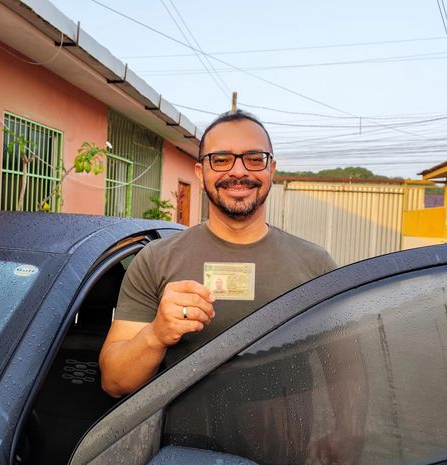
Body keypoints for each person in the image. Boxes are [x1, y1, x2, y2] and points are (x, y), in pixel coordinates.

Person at [99, 110, 337, 398]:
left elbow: (344, 374)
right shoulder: (155, 259)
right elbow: (114, 382)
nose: (238, 172)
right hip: (184, 442)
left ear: (271, 170)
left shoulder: (317, 265)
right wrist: (156, 334)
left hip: (289, 439)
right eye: (221, 160)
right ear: (201, 173)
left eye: (254, 158)